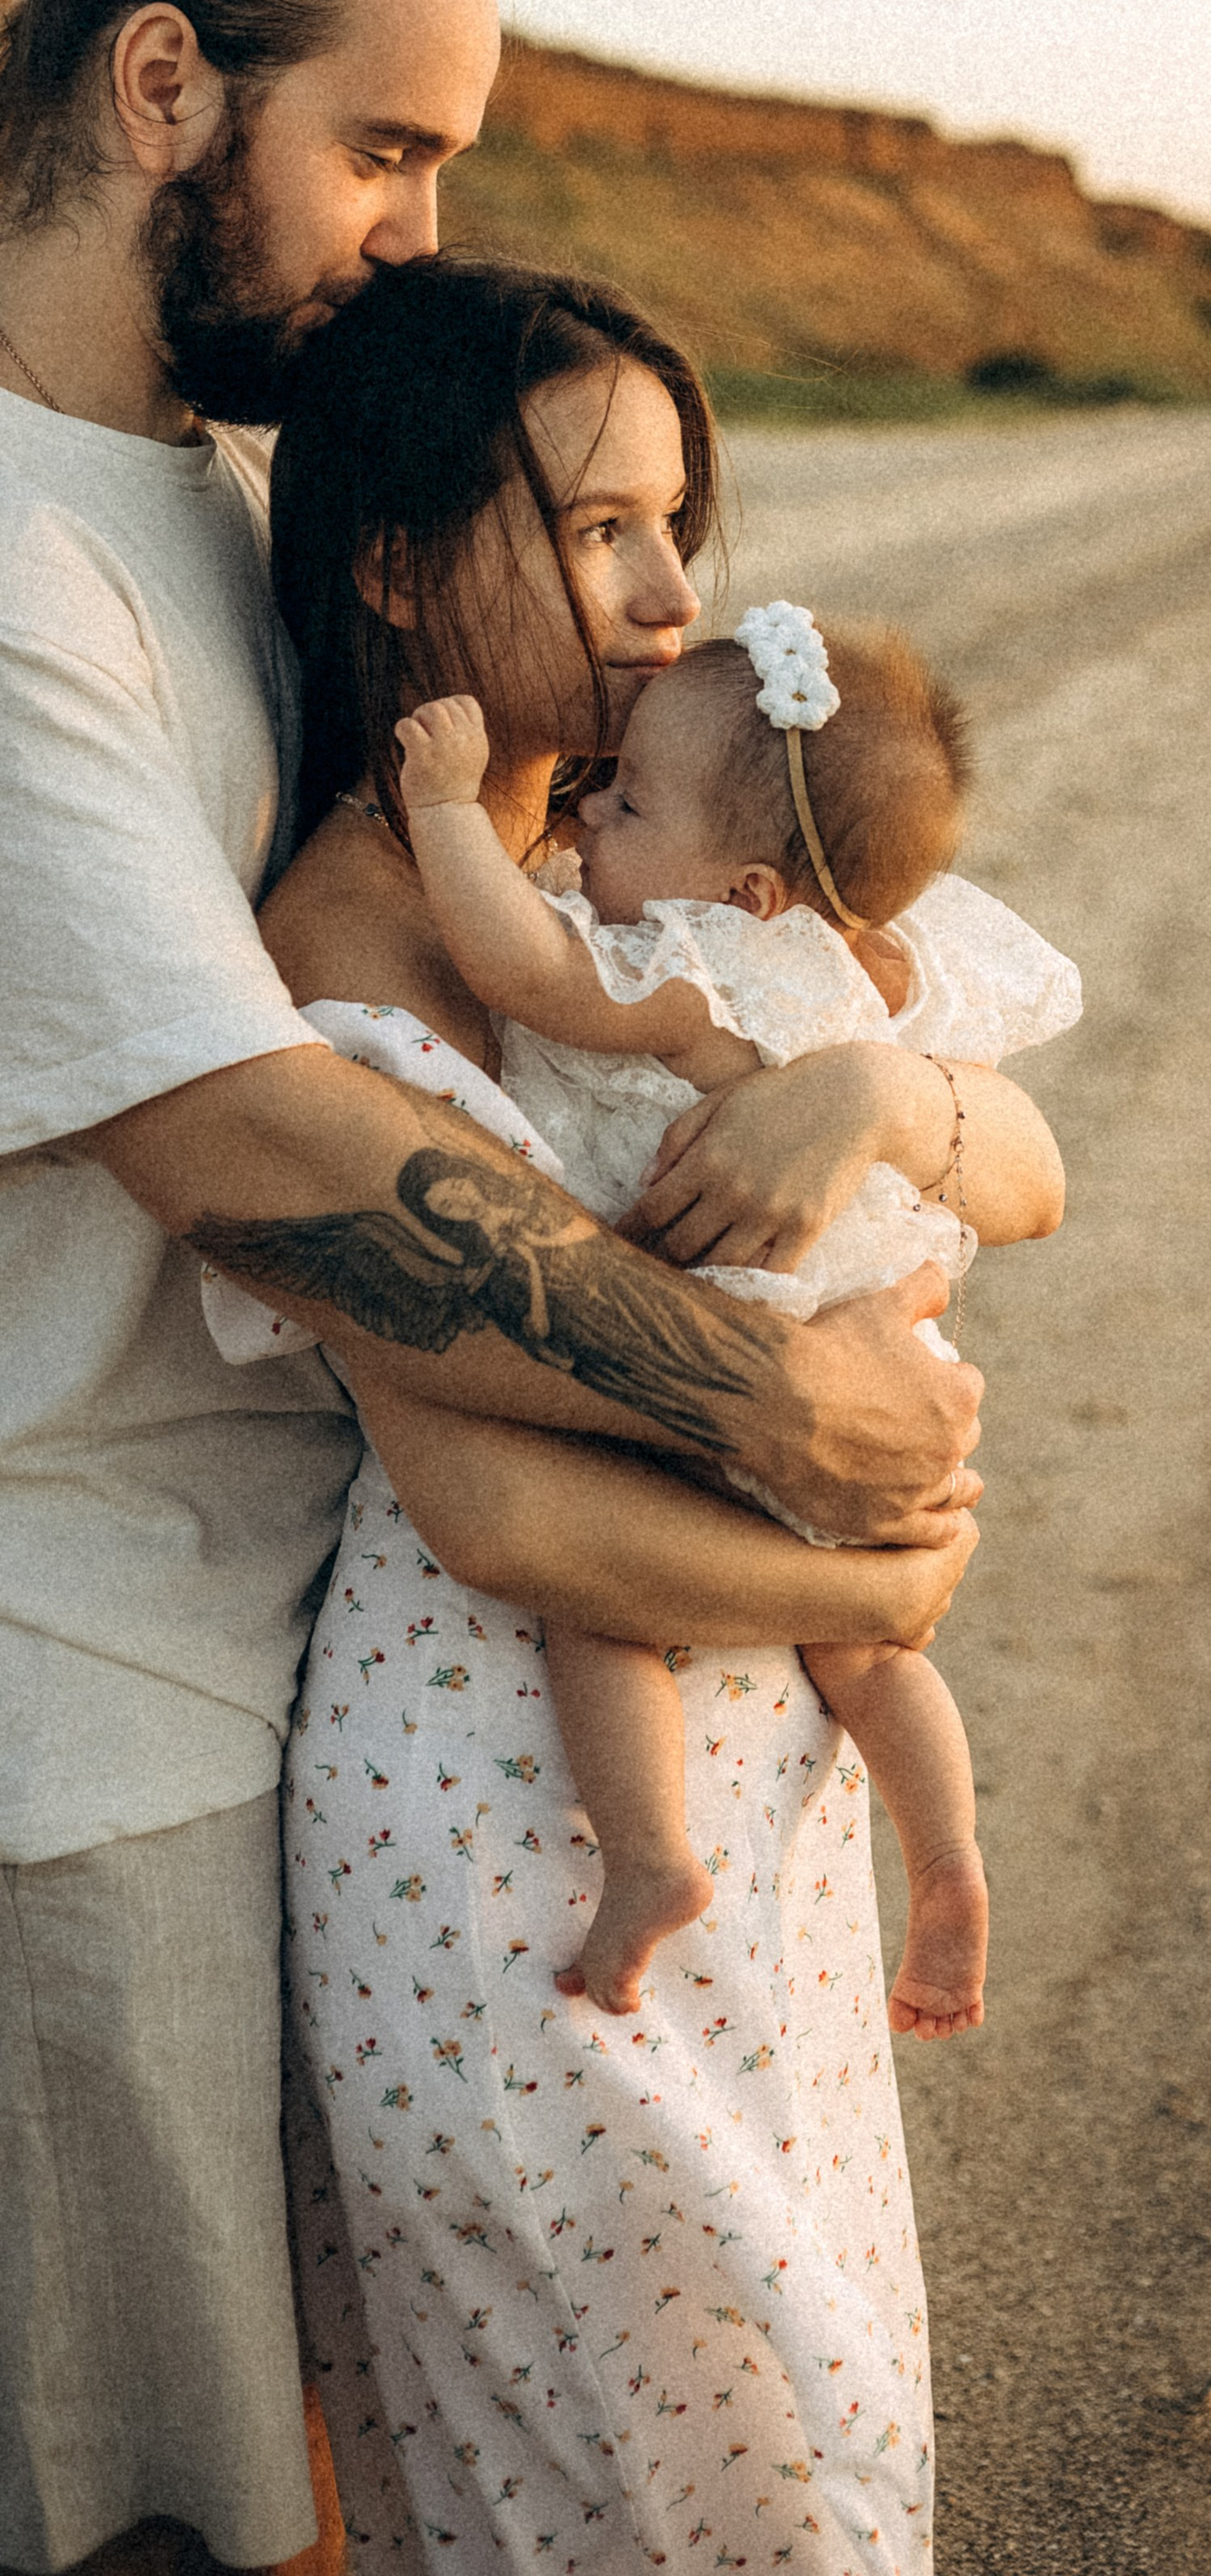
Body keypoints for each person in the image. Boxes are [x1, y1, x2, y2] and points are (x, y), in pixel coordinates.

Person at [0, 0, 998, 2576]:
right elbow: (275, 1146)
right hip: (79, 1706)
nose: (420, 232)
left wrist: (896, 1104)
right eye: (389, 150)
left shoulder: (195, 501)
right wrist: (794, 1429)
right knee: (161, 2519)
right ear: (167, 84)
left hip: (300, 1638)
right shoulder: (15, 576)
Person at [239, 254, 1064, 2572]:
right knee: (663, 2468)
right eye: (603, 528)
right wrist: (886, 1571)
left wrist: (881, 1087)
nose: (670, 590)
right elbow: (489, 1498)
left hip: (748, 1784)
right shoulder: (373, 921)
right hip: (510, 1812)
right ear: (401, 565)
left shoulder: (699, 841)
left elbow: (1034, 1163)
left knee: (800, 2425)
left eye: (678, 522)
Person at [390, 605, 1080, 2030]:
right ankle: (947, 1858)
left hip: (727, 1346)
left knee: (599, 1602)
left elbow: (522, 970)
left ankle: (648, 1858)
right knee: (878, 1657)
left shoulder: (698, 963)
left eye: (626, 800)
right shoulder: (848, 962)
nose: (584, 816)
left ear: (754, 889)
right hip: (874, 1345)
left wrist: (446, 808)